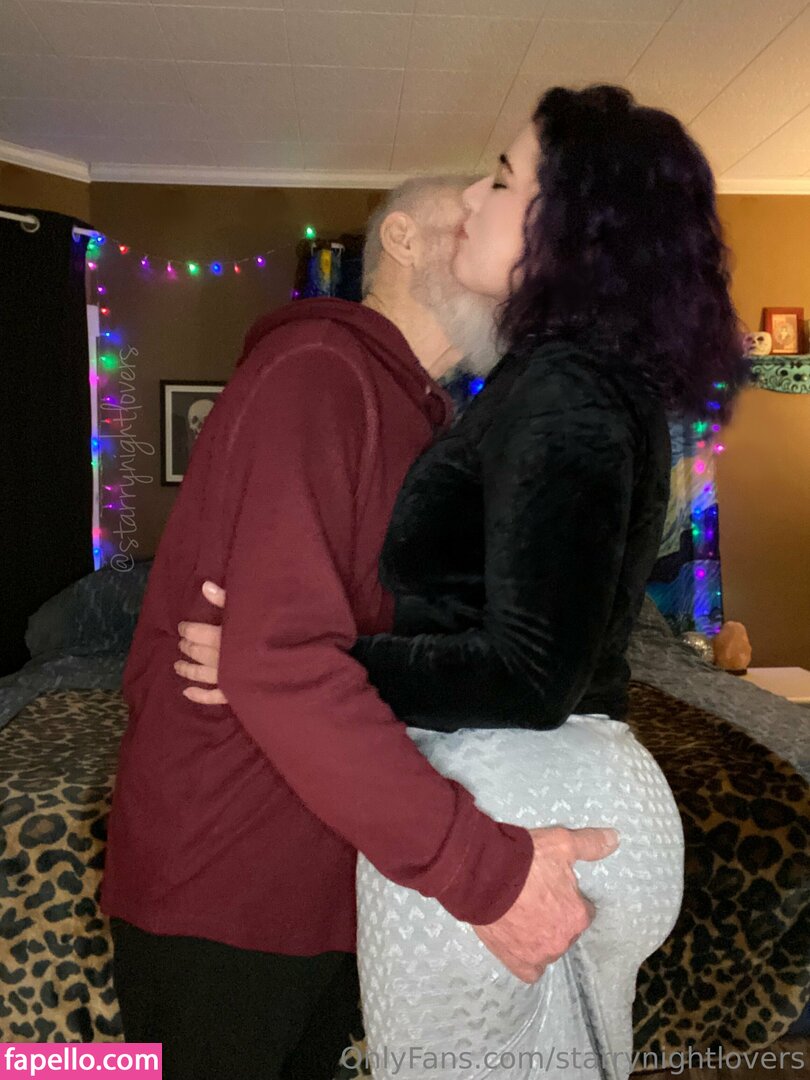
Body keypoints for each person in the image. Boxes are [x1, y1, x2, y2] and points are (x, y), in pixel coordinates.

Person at [176, 86, 750, 1079]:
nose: (477, 200)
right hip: (544, 786)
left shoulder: (563, 384)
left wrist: (314, 661)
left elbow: (530, 674)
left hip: (519, 788)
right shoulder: (571, 378)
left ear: (569, 224)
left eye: (502, 179)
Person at [101, 175, 620, 1080]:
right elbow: (283, 665)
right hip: (230, 884)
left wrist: (352, 661)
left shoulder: (434, 428)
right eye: (480, 216)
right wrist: (487, 875)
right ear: (404, 239)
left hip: (347, 878)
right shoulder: (318, 372)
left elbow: (449, 646)